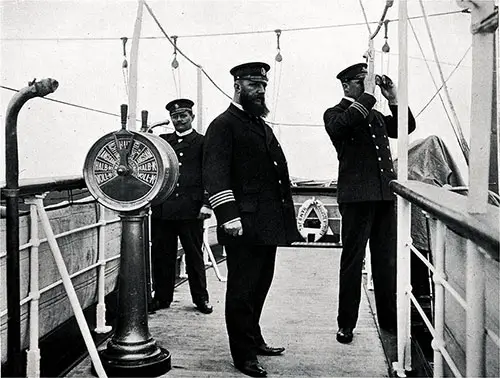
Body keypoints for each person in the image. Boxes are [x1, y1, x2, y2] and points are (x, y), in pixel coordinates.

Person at [203, 62, 300, 377]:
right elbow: (215, 174)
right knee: (243, 289)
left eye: (262, 85)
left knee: (260, 284)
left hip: (266, 222)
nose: (260, 91)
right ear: (237, 86)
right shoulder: (224, 125)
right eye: (254, 85)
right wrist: (228, 215)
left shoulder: (260, 125)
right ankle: (243, 355)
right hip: (242, 222)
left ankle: (254, 338)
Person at [323, 62, 416, 344]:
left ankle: (388, 319)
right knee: (352, 261)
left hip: (384, 197)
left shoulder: (374, 115)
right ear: (347, 85)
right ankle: (346, 324)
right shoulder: (335, 114)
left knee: (385, 261)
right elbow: (344, 126)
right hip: (356, 199)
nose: (369, 87)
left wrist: (394, 99)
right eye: (363, 82)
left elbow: (406, 127)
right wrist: (369, 96)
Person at [150, 98, 213, 314]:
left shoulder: (203, 142)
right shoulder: (163, 141)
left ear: (192, 117)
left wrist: (207, 204)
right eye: (175, 116)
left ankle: (201, 299)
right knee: (162, 256)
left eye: (183, 115)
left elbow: (210, 174)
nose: (179, 120)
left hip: (191, 210)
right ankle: (161, 298)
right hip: (164, 209)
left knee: (194, 256)